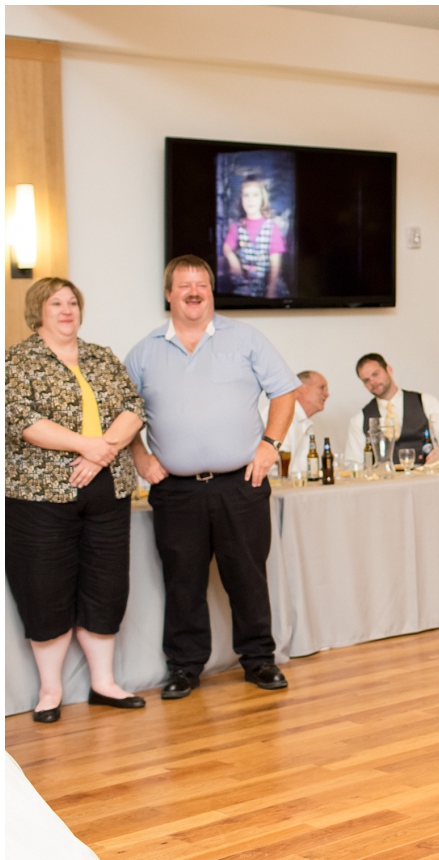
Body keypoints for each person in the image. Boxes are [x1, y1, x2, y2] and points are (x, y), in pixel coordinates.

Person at [125, 255, 300, 699]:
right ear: (168, 294)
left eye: (200, 283)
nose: (193, 292)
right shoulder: (144, 351)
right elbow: (120, 416)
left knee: (247, 576)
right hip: (176, 491)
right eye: (183, 285)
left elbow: (285, 391)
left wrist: (270, 444)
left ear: (211, 290)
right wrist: (140, 457)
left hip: (240, 485)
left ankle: (259, 661)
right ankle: (184, 668)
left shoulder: (245, 339)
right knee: (183, 582)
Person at [6, 278, 148, 722]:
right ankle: (50, 691)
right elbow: (20, 420)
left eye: (72, 302)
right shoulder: (17, 360)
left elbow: (133, 407)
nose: (67, 310)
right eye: (56, 303)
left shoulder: (101, 356)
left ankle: (103, 684)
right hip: (41, 494)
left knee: (106, 585)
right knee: (44, 588)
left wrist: (101, 449)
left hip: (108, 488)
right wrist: (89, 447)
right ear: (38, 311)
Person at [345, 354, 439, 466]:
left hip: (426, 478)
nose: (373, 382)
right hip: (384, 481)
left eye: (375, 374)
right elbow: (354, 463)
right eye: (366, 380)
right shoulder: (359, 419)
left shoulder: (426, 402)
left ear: (389, 370)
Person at [221, 176, 286, 299]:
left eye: (255, 195)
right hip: (244, 285)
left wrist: (271, 290)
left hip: (266, 285)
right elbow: (226, 247)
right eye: (246, 195)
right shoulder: (237, 227)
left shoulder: (272, 227)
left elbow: (275, 264)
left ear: (262, 199)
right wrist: (231, 257)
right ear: (241, 199)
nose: (250, 200)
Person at [285, 370, 328, 469]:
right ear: (300, 388)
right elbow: (275, 469)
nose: (327, 394)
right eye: (322, 387)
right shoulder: (281, 417)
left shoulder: (304, 422)